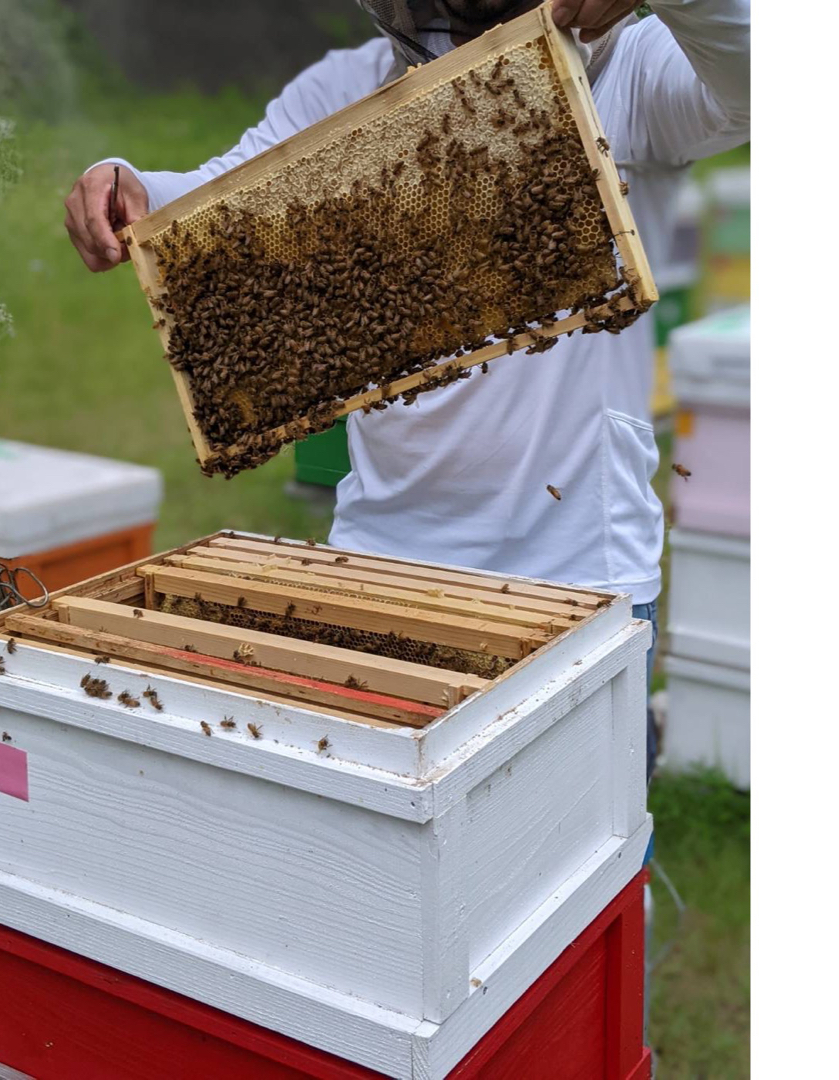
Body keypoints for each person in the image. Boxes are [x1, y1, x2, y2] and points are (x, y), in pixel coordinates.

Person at [63, 0, 750, 781]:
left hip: (576, 567)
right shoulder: (343, 89)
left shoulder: (627, 68)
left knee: (580, 857)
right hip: (384, 560)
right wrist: (127, 185)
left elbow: (757, 80)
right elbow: (208, 196)